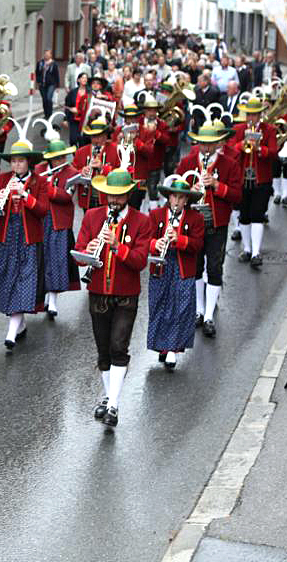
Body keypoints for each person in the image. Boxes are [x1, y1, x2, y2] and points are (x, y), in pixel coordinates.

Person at [73, 168, 154, 428]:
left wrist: (118, 246)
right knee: (103, 350)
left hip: (126, 294)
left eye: (119, 197)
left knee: (119, 347)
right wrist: (91, 250)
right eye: (109, 196)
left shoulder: (142, 222)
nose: (113, 201)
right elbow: (79, 250)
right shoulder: (93, 216)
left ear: (128, 195)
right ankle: (109, 397)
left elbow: (140, 261)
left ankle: (114, 405)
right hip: (98, 290)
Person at [177, 121, 243, 337]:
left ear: (217, 144)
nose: (205, 148)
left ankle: (209, 316)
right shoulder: (187, 161)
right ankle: (198, 310)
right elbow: (174, 191)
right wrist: (188, 190)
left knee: (215, 267)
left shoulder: (229, 164)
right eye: (202, 144)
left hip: (217, 224)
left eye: (210, 144)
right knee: (195, 267)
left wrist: (216, 185)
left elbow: (237, 195)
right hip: (193, 223)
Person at [0, 132, 48, 352]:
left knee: (24, 282)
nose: (16, 164)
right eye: (13, 161)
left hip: (29, 239)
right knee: (8, 280)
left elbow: (43, 210)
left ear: (28, 162)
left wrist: (26, 197)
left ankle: (11, 333)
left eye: (20, 161)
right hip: (7, 237)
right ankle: (19, 324)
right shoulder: (3, 180)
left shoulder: (39, 182)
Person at [146, 177, 205, 370]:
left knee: (181, 306)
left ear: (187, 200)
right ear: (168, 197)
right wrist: (157, 243)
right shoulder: (155, 215)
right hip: (161, 266)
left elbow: (197, 245)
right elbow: (145, 240)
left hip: (182, 267)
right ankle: (163, 346)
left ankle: (172, 349)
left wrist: (179, 239)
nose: (177, 202)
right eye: (174, 197)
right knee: (160, 304)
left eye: (181, 198)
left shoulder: (195, 218)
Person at [227, 96, 278, 268]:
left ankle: (256, 252)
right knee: (244, 216)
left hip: (261, 180)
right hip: (242, 179)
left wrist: (259, 149)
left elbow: (273, 152)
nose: (251, 118)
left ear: (260, 115)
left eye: (255, 115)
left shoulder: (269, 130)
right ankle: (247, 249)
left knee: (257, 215)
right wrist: (241, 145)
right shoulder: (238, 129)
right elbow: (231, 151)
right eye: (249, 114)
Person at [35, 137, 81, 319]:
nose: (60, 161)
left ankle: (53, 301)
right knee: (41, 259)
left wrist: (47, 187)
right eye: (56, 158)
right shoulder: (38, 170)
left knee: (55, 261)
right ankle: (44, 296)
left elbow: (66, 197)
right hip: (39, 219)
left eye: (63, 157)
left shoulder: (71, 173)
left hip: (58, 222)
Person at [71, 116, 121, 212]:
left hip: (107, 198)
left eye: (99, 136)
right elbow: (72, 172)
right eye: (93, 136)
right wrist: (81, 171)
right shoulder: (81, 152)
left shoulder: (116, 151)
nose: (96, 140)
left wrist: (103, 169)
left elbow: (120, 174)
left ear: (106, 136)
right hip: (87, 198)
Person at [35, 50, 61, 118]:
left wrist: (58, 86)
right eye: (45, 54)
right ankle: (46, 114)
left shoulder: (54, 64)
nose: (46, 56)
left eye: (47, 54)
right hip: (42, 84)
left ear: (50, 55)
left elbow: (56, 75)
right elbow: (37, 73)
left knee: (49, 98)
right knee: (44, 99)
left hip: (51, 84)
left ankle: (50, 114)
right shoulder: (40, 63)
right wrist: (38, 81)